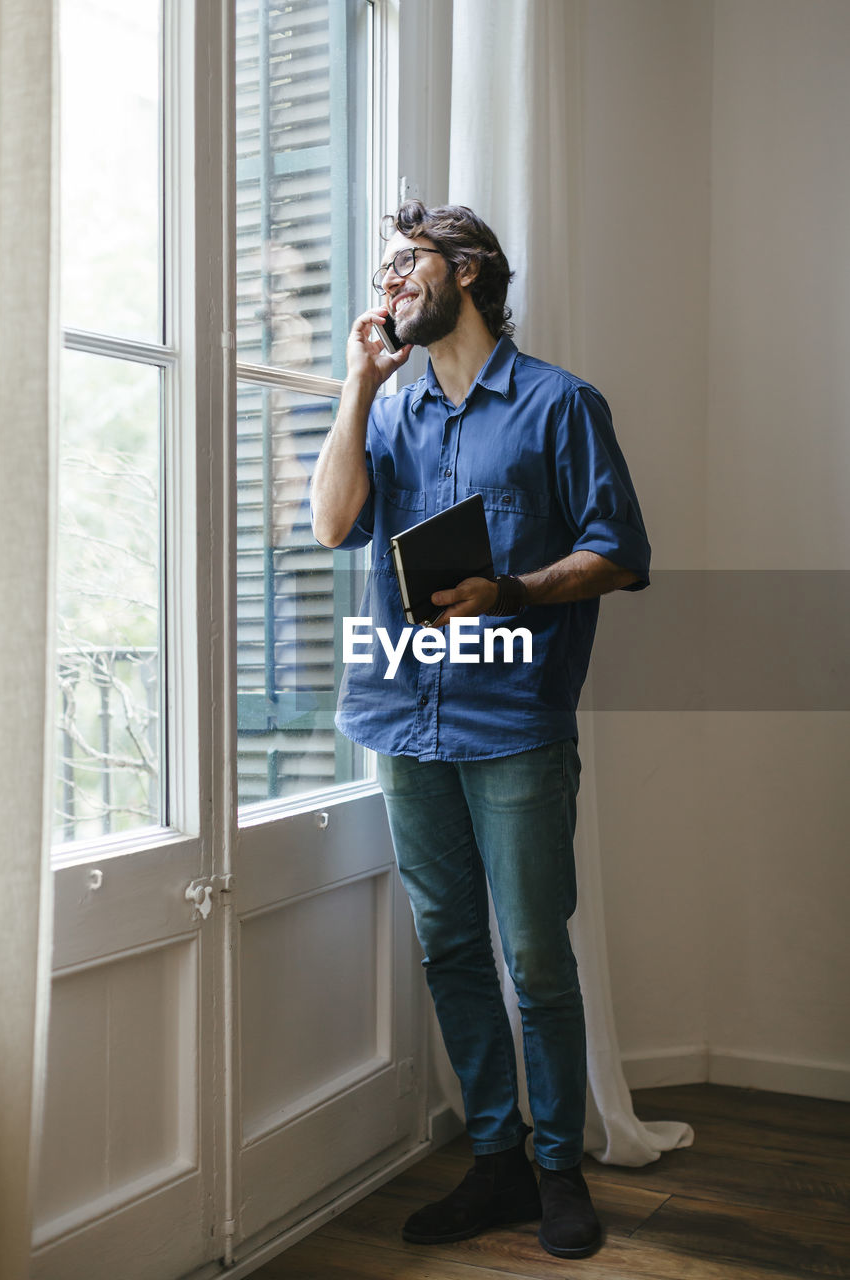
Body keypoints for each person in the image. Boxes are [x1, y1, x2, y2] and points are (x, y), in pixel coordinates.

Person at [310, 201, 650, 1261]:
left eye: (404, 266)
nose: (388, 287)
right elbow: (331, 522)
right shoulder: (394, 409)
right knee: (450, 944)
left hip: (512, 723)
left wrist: (509, 588)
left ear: (466, 269)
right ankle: (495, 1160)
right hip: (400, 717)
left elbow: (620, 552)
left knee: (534, 954)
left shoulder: (559, 403)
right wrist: (358, 383)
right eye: (383, 272)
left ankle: (559, 1167)